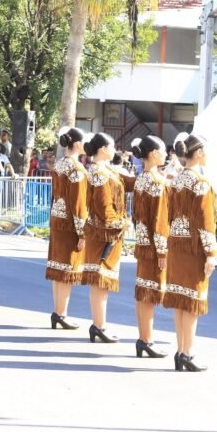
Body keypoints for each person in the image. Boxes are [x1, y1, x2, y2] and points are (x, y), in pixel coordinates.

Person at [163, 133, 217, 372]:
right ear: (199, 153)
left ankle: (181, 350)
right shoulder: (201, 183)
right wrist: (211, 252)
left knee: (180, 302)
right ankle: (188, 352)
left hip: (176, 244)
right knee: (192, 302)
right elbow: (206, 222)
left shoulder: (175, 180)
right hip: (193, 247)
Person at [82, 132, 135, 343]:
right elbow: (104, 207)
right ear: (103, 149)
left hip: (104, 231)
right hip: (103, 233)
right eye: (112, 146)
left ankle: (99, 324)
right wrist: (122, 223)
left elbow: (127, 183)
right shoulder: (99, 172)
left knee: (102, 283)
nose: (115, 150)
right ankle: (98, 325)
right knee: (100, 281)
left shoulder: (106, 170)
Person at [130, 136, 170, 358]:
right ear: (154, 153)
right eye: (163, 150)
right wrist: (163, 250)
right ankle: (147, 340)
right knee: (150, 292)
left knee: (143, 291)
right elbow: (161, 220)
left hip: (143, 240)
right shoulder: (157, 182)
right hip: (155, 244)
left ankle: (144, 338)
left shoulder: (141, 179)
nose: (166, 154)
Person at [46, 127, 88, 330]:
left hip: (57, 217)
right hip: (70, 222)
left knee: (58, 268)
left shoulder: (60, 164)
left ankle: (58, 311)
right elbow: (79, 204)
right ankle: (61, 313)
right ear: (78, 144)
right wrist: (83, 232)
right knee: (66, 270)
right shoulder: (77, 169)